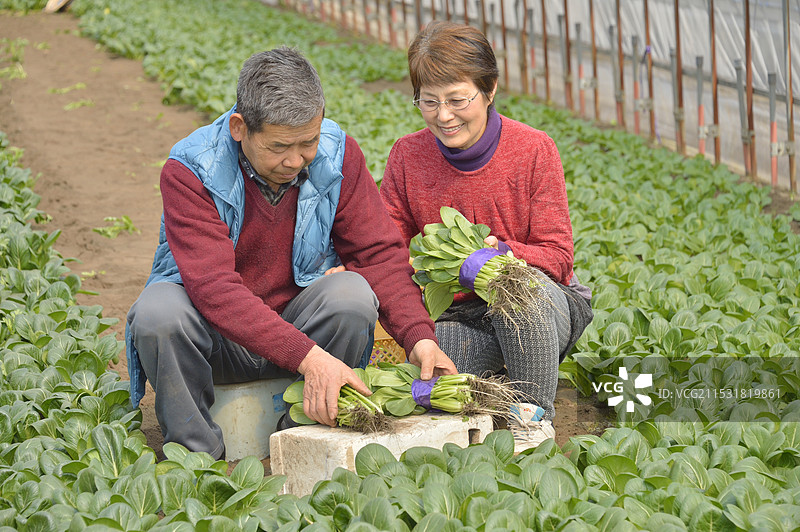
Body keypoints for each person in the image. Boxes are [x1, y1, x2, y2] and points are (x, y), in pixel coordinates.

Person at [125, 46, 457, 460]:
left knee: (351, 295)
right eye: (281, 146)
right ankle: (194, 461)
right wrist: (309, 357)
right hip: (214, 342)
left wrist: (419, 338)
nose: (296, 160)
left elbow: (378, 255)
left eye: (309, 142)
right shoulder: (192, 170)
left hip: (297, 327)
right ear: (239, 127)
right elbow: (214, 289)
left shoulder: (337, 156)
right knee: (158, 311)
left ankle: (303, 441)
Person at [379, 21, 593, 453]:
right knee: (433, 364)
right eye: (429, 101)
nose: (444, 115)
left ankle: (531, 419)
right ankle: (514, 379)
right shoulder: (407, 155)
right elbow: (389, 251)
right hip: (461, 317)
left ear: (490, 89)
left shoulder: (534, 149)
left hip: (542, 303)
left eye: (458, 100)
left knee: (518, 290)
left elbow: (558, 256)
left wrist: (504, 255)